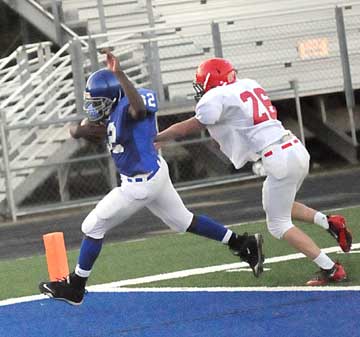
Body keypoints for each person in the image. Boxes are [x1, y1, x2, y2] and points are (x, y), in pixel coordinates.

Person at [38, 51, 264, 306]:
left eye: (98, 101)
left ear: (114, 96)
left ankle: (76, 287)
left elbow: (138, 108)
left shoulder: (130, 105)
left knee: (92, 227)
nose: (93, 106)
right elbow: (85, 131)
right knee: (184, 221)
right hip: (155, 172)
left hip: (140, 184)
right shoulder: (110, 111)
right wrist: (77, 130)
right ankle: (243, 244)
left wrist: (119, 74)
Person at [155, 57, 353, 286]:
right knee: (280, 204)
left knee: (278, 224)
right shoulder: (249, 84)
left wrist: (158, 138)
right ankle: (330, 222)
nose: (201, 90)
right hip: (294, 147)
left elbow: (192, 125)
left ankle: (330, 268)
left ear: (212, 81)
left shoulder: (215, 97)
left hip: (278, 157)